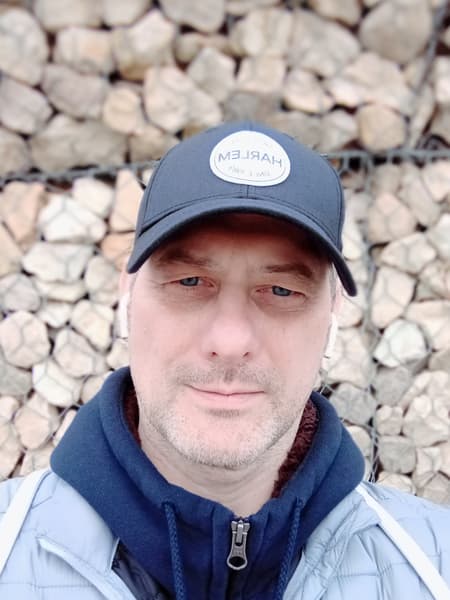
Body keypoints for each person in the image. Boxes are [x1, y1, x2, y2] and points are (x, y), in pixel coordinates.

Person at [0, 121, 449, 600]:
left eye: (281, 290)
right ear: (126, 296)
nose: (231, 341)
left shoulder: (434, 564)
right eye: (190, 282)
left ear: (333, 317)